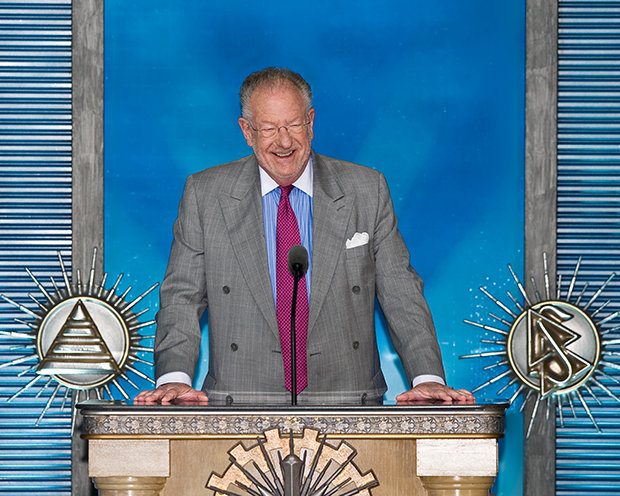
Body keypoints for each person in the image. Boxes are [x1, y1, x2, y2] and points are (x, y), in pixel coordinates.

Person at [135, 67, 474, 406]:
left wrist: (428, 378)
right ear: (247, 131)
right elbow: (182, 296)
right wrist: (174, 378)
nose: (284, 141)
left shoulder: (366, 189)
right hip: (239, 401)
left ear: (311, 123)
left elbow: (400, 291)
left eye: (293, 125)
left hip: (348, 402)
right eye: (269, 128)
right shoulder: (205, 194)